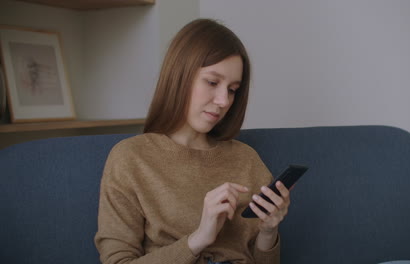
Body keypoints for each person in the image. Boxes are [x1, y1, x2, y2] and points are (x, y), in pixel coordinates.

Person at [94, 18, 292, 264]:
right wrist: (198, 238)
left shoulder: (246, 159)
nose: (223, 100)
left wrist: (268, 231)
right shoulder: (131, 158)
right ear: (180, 76)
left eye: (232, 89)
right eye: (212, 82)